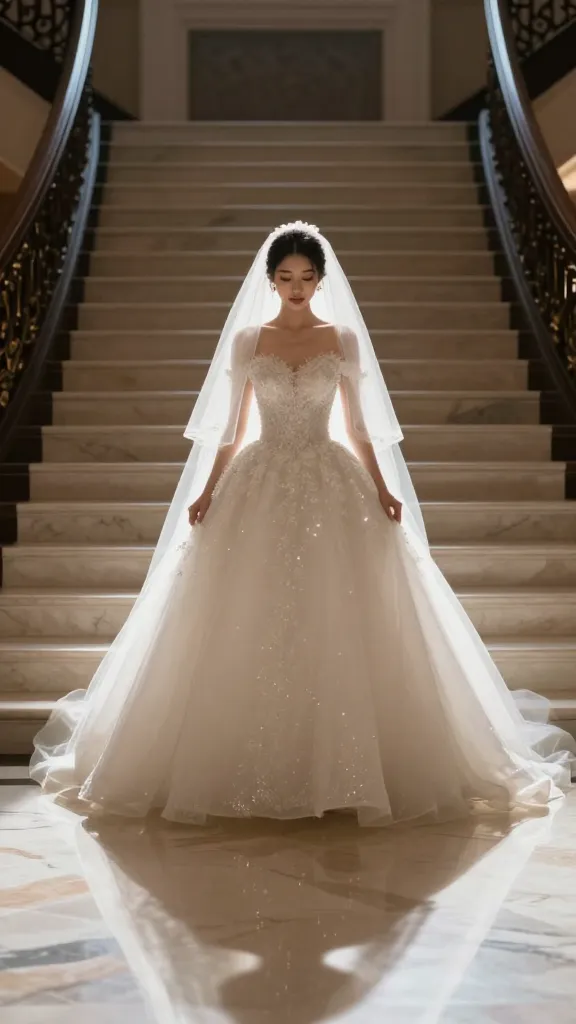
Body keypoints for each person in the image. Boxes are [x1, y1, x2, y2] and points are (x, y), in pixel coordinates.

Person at [30, 221, 575, 826]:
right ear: (270, 279)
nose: (296, 287)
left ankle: (347, 773)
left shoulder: (340, 338)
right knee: (242, 609)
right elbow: (232, 431)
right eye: (286, 277)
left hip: (329, 477)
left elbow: (361, 426)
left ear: (321, 280)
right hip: (256, 479)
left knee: (338, 609)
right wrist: (207, 491)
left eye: (307, 278)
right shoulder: (247, 341)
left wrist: (383, 488)